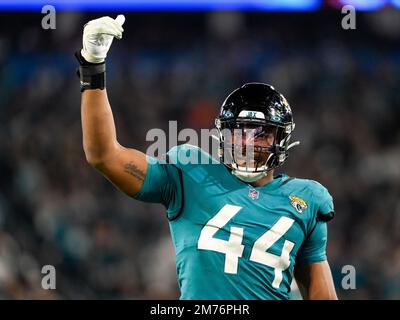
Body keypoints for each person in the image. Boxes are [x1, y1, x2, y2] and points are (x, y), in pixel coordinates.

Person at [76, 14, 338, 300]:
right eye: (240, 131)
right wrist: (93, 67)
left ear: (281, 139)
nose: (248, 142)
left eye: (261, 133)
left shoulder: (307, 200)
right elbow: (104, 155)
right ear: (224, 135)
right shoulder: (191, 171)